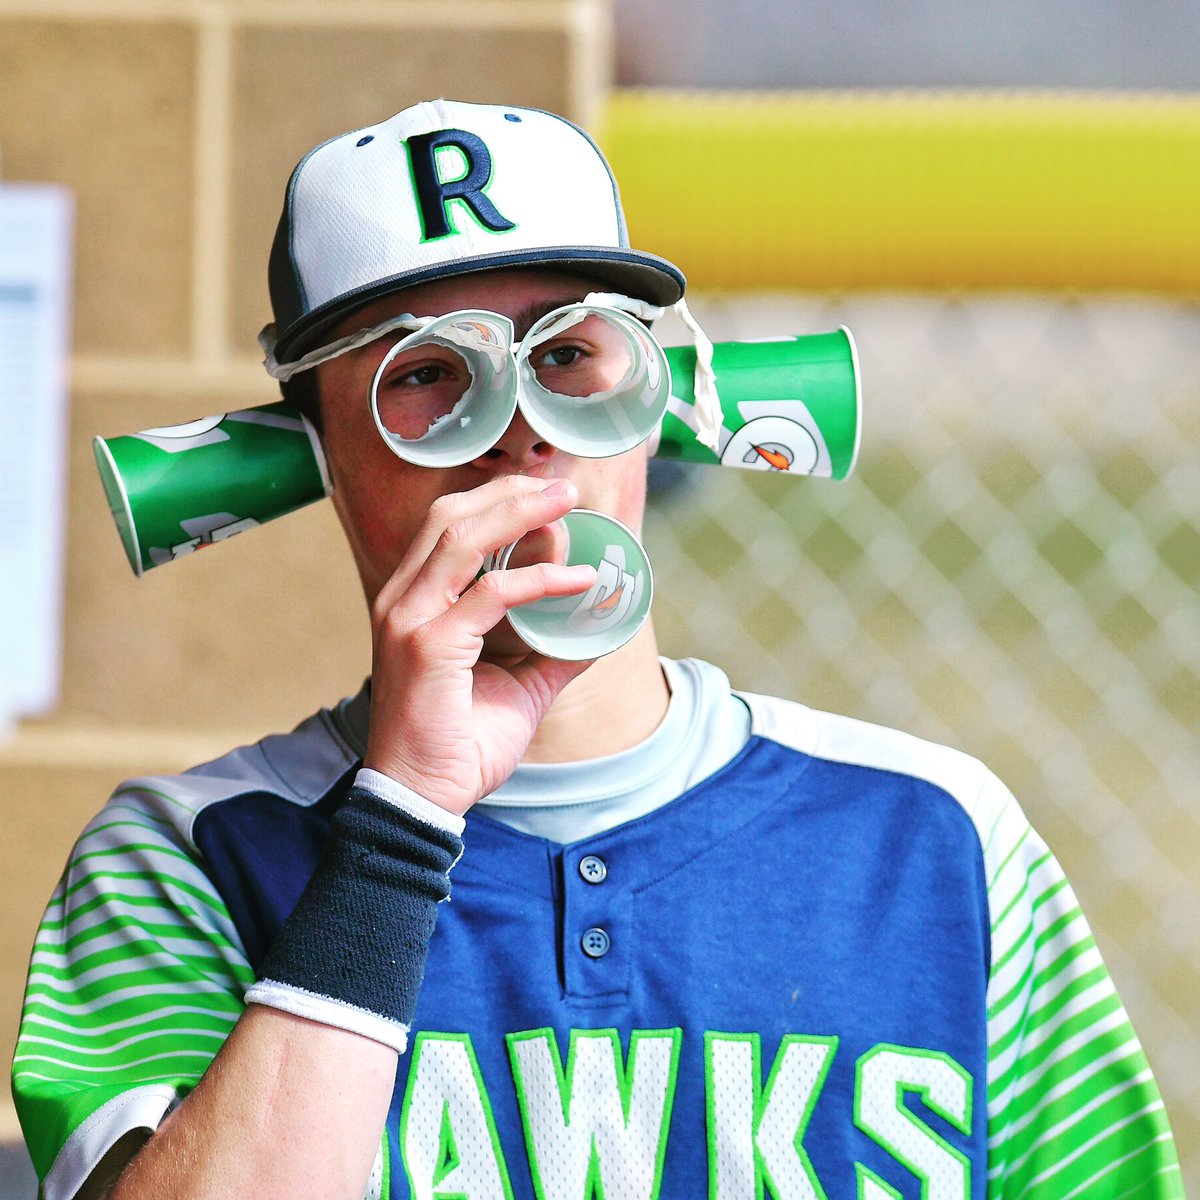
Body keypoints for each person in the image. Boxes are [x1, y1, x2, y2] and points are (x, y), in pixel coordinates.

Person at [13, 99, 1185, 1200]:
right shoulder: (186, 860)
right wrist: (401, 824)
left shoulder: (937, 841)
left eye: (568, 358)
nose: (519, 436)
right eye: (427, 378)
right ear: (312, 450)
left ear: (653, 403)